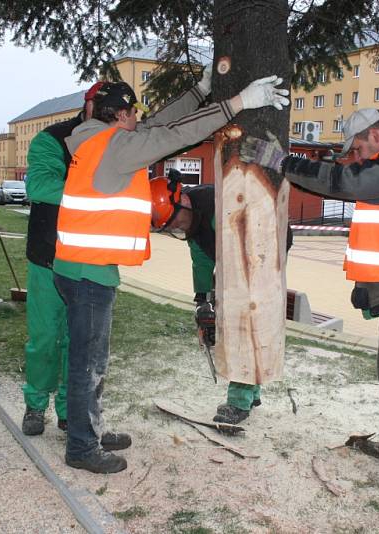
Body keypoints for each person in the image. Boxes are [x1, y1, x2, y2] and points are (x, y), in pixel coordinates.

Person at [54, 72, 290, 474]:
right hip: (87, 271)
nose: (138, 122)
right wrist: (236, 104)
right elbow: (169, 136)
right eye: (134, 116)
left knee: (90, 360)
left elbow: (159, 125)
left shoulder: (98, 140)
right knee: (87, 364)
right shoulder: (114, 146)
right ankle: (81, 445)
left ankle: (87, 429)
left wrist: (199, 92)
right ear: (122, 115)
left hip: (81, 267)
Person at [240, 108, 379, 493]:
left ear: (376, 136)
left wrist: (280, 161)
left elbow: (345, 182)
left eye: (358, 149)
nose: (357, 158)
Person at [149, 175, 292, 425]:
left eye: (176, 222)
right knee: (239, 317)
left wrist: (225, 300)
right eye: (171, 227)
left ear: (182, 200)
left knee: (244, 325)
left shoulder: (220, 207)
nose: (178, 227)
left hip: (264, 248)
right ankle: (251, 392)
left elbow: (237, 257)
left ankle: (239, 401)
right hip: (240, 254)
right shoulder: (193, 220)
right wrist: (203, 300)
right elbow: (202, 258)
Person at [20, 82, 105, 436]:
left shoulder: (112, 144)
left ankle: (71, 410)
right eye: (99, 110)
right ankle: (35, 404)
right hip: (48, 256)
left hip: (90, 260)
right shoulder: (51, 140)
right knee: (45, 338)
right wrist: (94, 192)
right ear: (86, 107)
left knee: (80, 341)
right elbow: (39, 187)